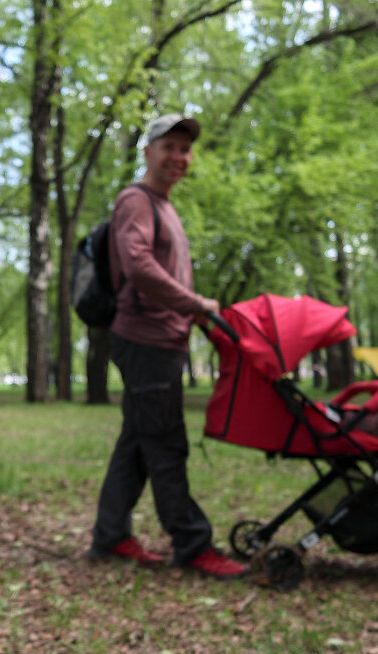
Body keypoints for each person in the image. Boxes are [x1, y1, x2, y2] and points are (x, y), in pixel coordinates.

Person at [87, 113, 247, 579]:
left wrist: (196, 315)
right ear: (148, 151)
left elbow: (162, 274)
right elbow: (138, 267)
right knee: (166, 443)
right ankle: (193, 544)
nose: (178, 157)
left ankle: (111, 536)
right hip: (145, 341)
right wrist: (196, 302)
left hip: (164, 340)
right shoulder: (135, 201)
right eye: (168, 147)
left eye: (184, 149)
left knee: (137, 444)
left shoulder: (165, 206)